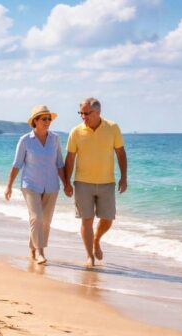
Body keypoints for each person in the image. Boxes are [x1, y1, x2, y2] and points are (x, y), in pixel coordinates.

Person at [63, 98, 127, 267]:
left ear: (98, 112)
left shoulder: (113, 128)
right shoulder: (75, 132)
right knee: (86, 220)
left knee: (108, 219)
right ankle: (89, 256)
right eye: (81, 113)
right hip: (83, 182)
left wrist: (124, 177)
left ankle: (96, 240)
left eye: (86, 113)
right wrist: (67, 182)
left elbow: (120, 153)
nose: (83, 117)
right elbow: (70, 158)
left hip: (107, 182)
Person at [4, 105, 66, 264]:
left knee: (46, 221)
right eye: (44, 119)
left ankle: (33, 247)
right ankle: (40, 252)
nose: (47, 121)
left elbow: (59, 163)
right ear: (35, 121)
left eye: (49, 119)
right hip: (30, 185)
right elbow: (17, 164)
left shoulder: (55, 139)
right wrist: (9, 185)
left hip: (52, 185)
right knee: (36, 218)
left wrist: (66, 183)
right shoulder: (25, 140)